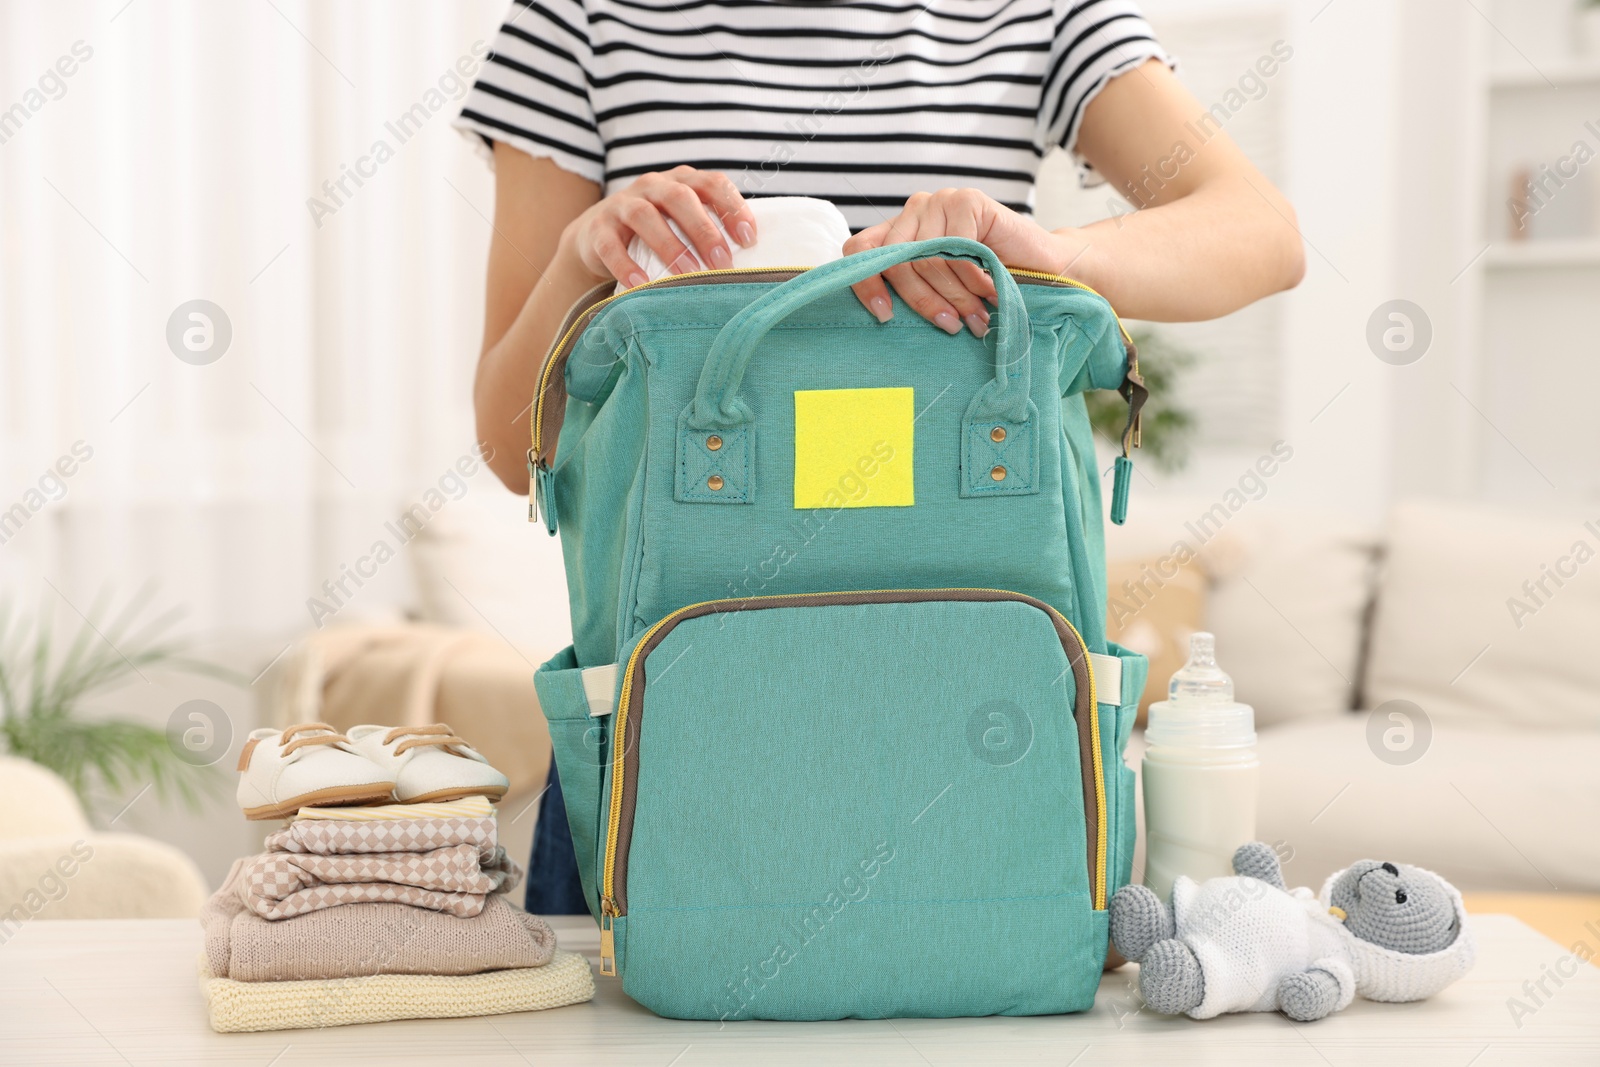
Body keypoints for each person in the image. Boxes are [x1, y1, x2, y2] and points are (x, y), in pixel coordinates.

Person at [454, 0, 1303, 914]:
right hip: (654, 753)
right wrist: (585, 257)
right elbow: (514, 447)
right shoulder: (578, 20)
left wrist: (1052, 254)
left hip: (980, 755)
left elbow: (1262, 231)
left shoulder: (1041, 14)